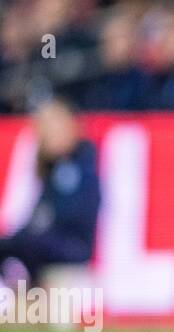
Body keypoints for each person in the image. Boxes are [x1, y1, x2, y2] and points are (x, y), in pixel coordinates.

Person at [0, 99, 100, 287]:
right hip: (47, 240)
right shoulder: (48, 169)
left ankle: (26, 285)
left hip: (73, 246)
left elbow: (71, 215)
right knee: (12, 243)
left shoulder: (82, 165)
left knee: (26, 242)